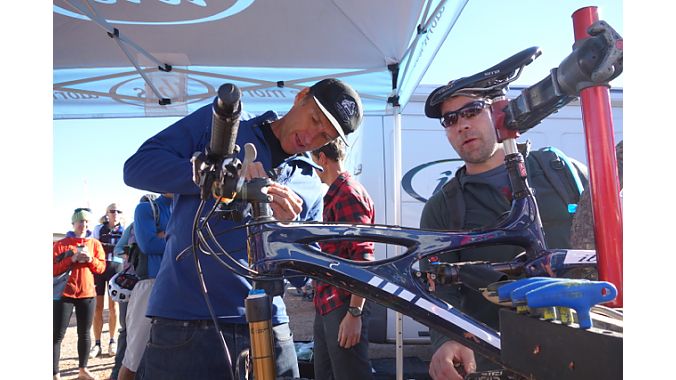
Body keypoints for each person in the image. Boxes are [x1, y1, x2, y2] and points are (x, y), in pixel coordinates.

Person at [123, 78, 363, 379]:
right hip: (187, 320)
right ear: (300, 97)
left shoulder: (310, 183)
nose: (311, 136)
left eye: (324, 136)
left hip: (270, 325)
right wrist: (216, 180)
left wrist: (286, 231)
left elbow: (301, 277)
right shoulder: (224, 125)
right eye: (314, 119)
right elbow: (138, 168)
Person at [420, 79, 588, 380]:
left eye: (471, 111)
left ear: (499, 111)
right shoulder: (442, 207)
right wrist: (445, 339)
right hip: (498, 359)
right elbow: (437, 287)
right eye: (451, 119)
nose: (462, 126)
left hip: (584, 345)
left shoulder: (558, 170)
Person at [310, 139, 375, 380]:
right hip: (328, 303)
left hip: (344, 304)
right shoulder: (336, 194)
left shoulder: (348, 193)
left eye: (312, 161)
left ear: (322, 159)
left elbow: (364, 258)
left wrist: (355, 313)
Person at [118, 193, 173, 380]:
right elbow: (148, 244)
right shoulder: (146, 208)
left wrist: (166, 236)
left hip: (180, 285)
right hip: (149, 285)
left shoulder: (190, 208)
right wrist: (179, 237)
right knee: (134, 356)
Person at [53, 208, 106, 380]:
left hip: (87, 293)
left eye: (86, 221)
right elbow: (52, 269)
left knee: (84, 333)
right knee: (57, 335)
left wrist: (90, 260)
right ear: (73, 223)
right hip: (64, 293)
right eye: (80, 221)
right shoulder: (61, 244)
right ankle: (55, 373)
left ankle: (83, 370)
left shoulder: (95, 244)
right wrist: (72, 259)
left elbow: (102, 268)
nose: (83, 224)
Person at [90, 203, 126, 358]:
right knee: (97, 307)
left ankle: (113, 341)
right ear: (107, 214)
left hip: (116, 270)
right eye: (112, 211)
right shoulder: (99, 229)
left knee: (114, 307)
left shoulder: (124, 229)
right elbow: (92, 245)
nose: (115, 213)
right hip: (99, 270)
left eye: (118, 211)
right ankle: (97, 343)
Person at [109, 221, 136, 380]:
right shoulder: (132, 227)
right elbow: (118, 249)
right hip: (130, 284)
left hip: (154, 283)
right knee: (126, 329)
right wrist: (131, 253)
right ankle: (116, 373)